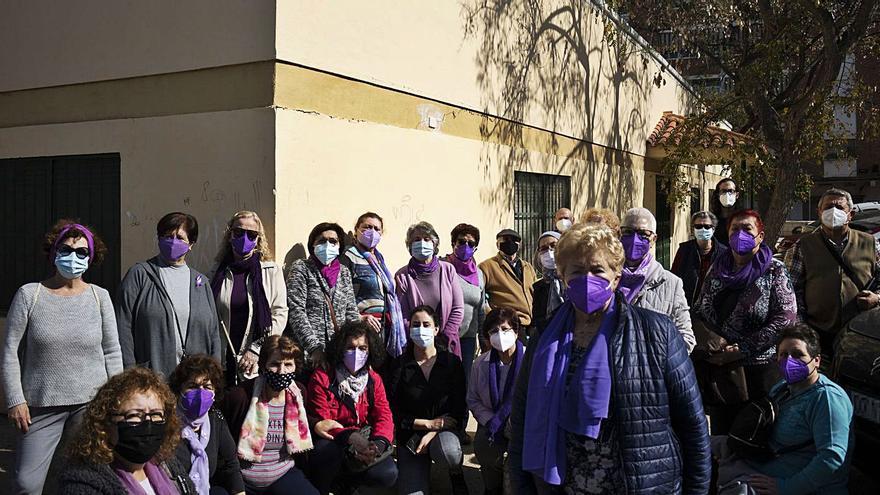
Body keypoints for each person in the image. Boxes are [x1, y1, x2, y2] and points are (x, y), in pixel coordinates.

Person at [508, 224, 711, 494]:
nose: (587, 279)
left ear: (616, 277)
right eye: (577, 272)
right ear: (563, 276)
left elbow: (693, 425)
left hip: (639, 485)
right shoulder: (545, 339)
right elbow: (521, 420)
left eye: (597, 270)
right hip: (565, 486)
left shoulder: (657, 333)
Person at [2, 220, 123, 495]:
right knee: (26, 484)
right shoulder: (29, 295)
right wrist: (15, 399)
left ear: (91, 258)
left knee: (83, 479)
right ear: (54, 252)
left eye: (82, 252)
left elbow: (112, 351)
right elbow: (10, 351)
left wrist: (115, 400)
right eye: (66, 249)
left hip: (90, 406)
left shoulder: (100, 297)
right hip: (40, 407)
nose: (73, 256)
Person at [712, 324, 853, 495]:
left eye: (798, 354)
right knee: (698, 443)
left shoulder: (827, 399)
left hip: (796, 483)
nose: (789, 361)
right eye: (784, 355)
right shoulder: (783, 388)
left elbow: (832, 457)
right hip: (763, 462)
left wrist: (786, 488)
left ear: (816, 360)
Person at [693, 209, 798, 434]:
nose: (740, 234)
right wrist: (715, 345)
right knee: (723, 438)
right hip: (722, 371)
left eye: (747, 229)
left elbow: (786, 318)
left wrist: (743, 348)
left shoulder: (774, 270)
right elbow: (700, 309)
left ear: (760, 236)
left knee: (757, 436)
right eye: (735, 230)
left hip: (759, 373)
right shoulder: (718, 268)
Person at [58, 367, 196, 494]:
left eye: (155, 414)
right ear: (106, 424)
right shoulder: (83, 482)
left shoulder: (167, 464)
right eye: (135, 415)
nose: (148, 423)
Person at [117, 212, 222, 378]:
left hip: (194, 383)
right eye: (167, 236)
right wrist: (131, 374)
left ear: (191, 244)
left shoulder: (201, 282)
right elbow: (123, 327)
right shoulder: (139, 274)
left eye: (180, 237)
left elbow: (214, 333)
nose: (173, 242)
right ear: (158, 238)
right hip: (152, 380)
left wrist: (214, 375)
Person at [306, 321, 398, 494]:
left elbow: (383, 415)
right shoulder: (323, 377)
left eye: (363, 348)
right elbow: (323, 420)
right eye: (350, 347)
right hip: (334, 440)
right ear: (340, 348)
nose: (356, 353)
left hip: (364, 440)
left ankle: (349, 484)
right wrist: (350, 437)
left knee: (387, 474)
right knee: (326, 453)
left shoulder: (373, 379)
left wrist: (376, 445)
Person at [787, 187, 880, 357]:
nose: (833, 212)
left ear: (850, 214)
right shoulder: (803, 246)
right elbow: (791, 292)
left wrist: (877, 298)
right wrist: (803, 329)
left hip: (861, 334)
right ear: (819, 212)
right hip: (818, 333)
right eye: (828, 207)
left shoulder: (871, 243)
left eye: (839, 208)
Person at [388, 306, 469, 495]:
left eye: (426, 324)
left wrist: (433, 431)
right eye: (416, 325)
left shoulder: (451, 363)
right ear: (409, 330)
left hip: (443, 432)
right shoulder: (399, 365)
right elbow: (393, 410)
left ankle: (455, 472)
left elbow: (458, 408)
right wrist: (426, 424)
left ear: (436, 329)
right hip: (410, 435)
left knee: (448, 452)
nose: (421, 329)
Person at [223, 336, 318, 495]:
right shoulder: (240, 396)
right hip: (242, 480)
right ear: (263, 366)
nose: (282, 371)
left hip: (283, 474)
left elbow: (303, 421)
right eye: (274, 364)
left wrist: (318, 424)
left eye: (288, 364)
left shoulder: (298, 393)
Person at [210, 211, 288, 387]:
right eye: (238, 232)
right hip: (221, 359)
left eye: (251, 234)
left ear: (258, 239)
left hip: (254, 360)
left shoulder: (271, 271)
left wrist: (257, 349)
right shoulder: (216, 273)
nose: (244, 238)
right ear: (230, 235)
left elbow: (279, 313)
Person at [618, 208, 696, 352]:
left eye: (643, 234)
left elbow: (686, 338)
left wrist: (654, 361)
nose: (635, 239)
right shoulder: (606, 278)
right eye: (628, 232)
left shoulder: (671, 283)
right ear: (619, 234)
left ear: (654, 239)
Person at [286, 222, 360, 372]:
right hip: (307, 355)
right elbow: (296, 310)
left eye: (333, 241)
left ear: (339, 246)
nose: (327, 245)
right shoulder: (301, 268)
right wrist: (314, 348)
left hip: (337, 354)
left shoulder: (344, 272)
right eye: (321, 241)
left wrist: (357, 345)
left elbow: (351, 311)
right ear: (312, 245)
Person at [467, 308, 525, 495]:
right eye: (493, 331)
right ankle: (492, 487)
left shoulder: (531, 361)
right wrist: (492, 420)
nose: (500, 335)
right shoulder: (480, 364)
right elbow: (473, 399)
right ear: (487, 337)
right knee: (484, 444)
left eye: (505, 329)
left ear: (516, 332)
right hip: (493, 423)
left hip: (524, 425)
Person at [169, 355, 245, 495]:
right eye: (192, 386)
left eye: (207, 387)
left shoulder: (215, 419)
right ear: (179, 391)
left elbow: (231, 465)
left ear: (215, 392)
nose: (200, 393)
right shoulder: (168, 424)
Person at [342, 212, 407, 360]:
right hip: (362, 329)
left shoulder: (379, 259)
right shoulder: (348, 257)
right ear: (357, 229)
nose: (372, 232)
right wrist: (358, 317)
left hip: (384, 328)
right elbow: (340, 295)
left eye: (377, 229)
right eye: (367, 227)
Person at [394, 221, 465, 358]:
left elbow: (458, 308)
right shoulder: (402, 276)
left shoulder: (448, 270)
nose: (422, 243)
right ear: (409, 245)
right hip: (416, 345)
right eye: (417, 239)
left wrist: (444, 337)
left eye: (427, 239)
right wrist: (419, 337)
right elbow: (402, 315)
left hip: (447, 344)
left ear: (434, 244)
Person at [444, 223, 488, 382]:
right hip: (444, 338)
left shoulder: (479, 274)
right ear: (453, 243)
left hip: (468, 339)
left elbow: (480, 309)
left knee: (464, 384)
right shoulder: (443, 267)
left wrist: (483, 340)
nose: (465, 246)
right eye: (461, 241)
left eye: (471, 243)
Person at [479, 229, 538, 328]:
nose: (509, 243)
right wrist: (494, 317)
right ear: (498, 244)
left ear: (518, 245)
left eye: (514, 240)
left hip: (531, 323)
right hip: (507, 324)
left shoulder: (527, 267)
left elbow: (536, 292)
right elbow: (480, 297)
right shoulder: (487, 266)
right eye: (505, 240)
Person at [671, 211, 729, 307]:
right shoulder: (684, 249)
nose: (703, 229)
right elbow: (674, 276)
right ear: (693, 229)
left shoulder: (723, 253)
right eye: (698, 226)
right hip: (687, 306)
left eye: (707, 227)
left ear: (713, 229)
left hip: (713, 308)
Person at [530, 231, 565, 338]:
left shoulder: (572, 280)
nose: (549, 251)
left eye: (553, 246)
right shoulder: (539, 287)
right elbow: (537, 318)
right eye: (544, 248)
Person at [710, 178, 741, 247]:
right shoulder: (711, 220)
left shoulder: (744, 219)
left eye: (731, 191)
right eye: (723, 191)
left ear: (737, 195)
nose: (727, 194)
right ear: (718, 195)